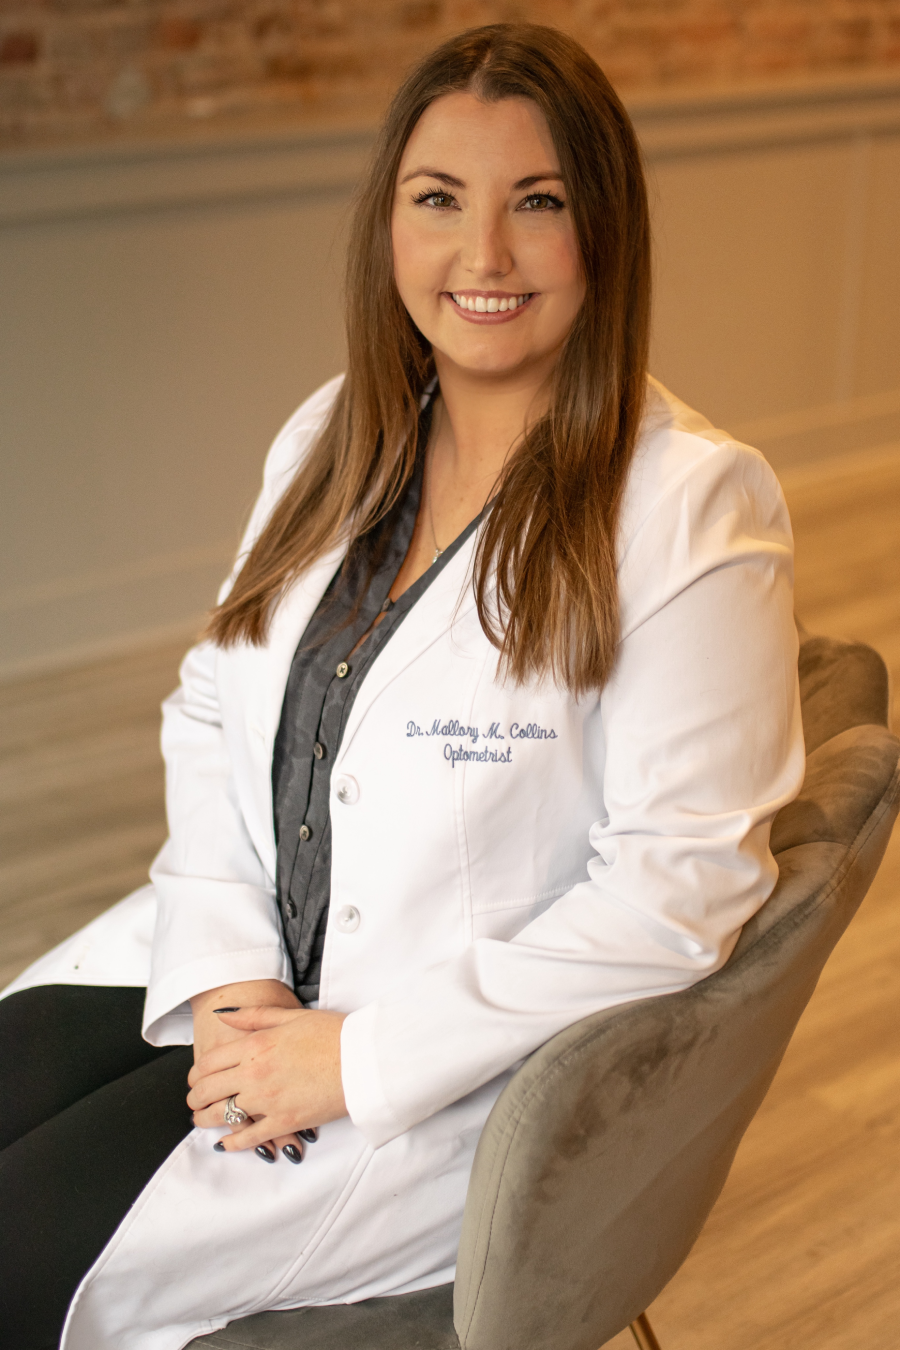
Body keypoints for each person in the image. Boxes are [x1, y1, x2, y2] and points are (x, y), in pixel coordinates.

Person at [0, 22, 805, 1350]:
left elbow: (678, 892)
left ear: (603, 232)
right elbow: (211, 706)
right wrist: (231, 977)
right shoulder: (335, 434)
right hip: (221, 980)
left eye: (535, 205)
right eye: (440, 201)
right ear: (391, 224)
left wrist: (346, 1056)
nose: (480, 258)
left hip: (415, 1078)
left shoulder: (692, 508)